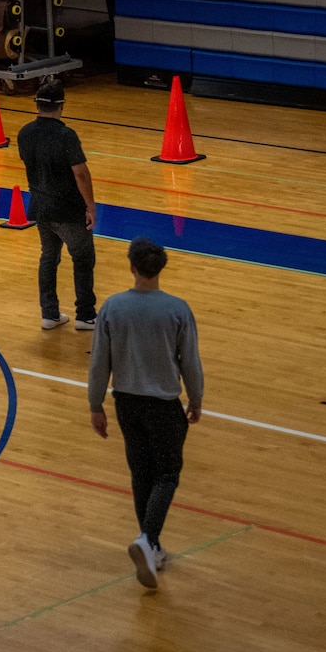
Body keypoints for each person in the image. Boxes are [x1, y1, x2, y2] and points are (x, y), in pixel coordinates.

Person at [89, 236, 204, 591]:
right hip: (163, 406)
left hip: (126, 404)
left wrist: (95, 404)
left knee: (141, 473)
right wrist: (196, 399)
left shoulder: (112, 307)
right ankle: (147, 539)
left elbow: (99, 361)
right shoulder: (177, 309)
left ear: (132, 267)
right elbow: (190, 362)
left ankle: (151, 548)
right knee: (167, 474)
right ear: (159, 268)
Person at [16, 77, 98, 331]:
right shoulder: (66, 136)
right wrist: (90, 206)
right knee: (83, 258)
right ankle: (85, 315)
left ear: (36, 104)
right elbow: (80, 173)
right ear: (61, 105)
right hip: (67, 209)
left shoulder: (24, 133)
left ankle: (49, 314)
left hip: (40, 206)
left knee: (48, 257)